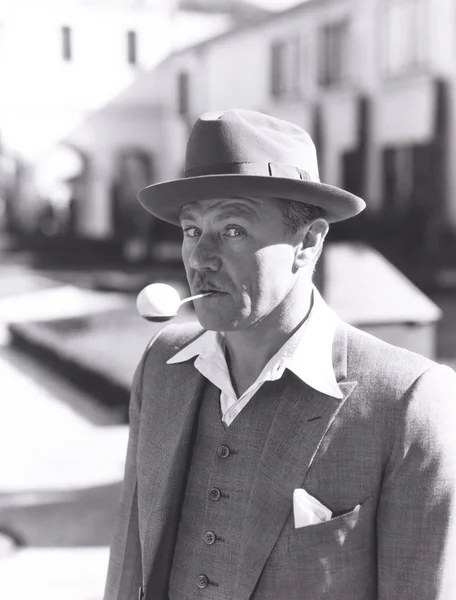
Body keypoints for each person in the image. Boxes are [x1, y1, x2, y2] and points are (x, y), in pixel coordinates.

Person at [103, 109, 456, 600]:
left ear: (307, 242)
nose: (201, 257)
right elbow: (128, 566)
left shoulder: (406, 402)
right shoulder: (162, 365)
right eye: (190, 229)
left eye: (232, 229)